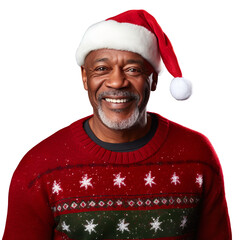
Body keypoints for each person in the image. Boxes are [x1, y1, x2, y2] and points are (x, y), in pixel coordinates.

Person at [2, 9, 231, 240]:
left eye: (133, 69)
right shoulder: (40, 168)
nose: (117, 82)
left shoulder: (197, 155)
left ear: (153, 80)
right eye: (102, 69)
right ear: (84, 77)